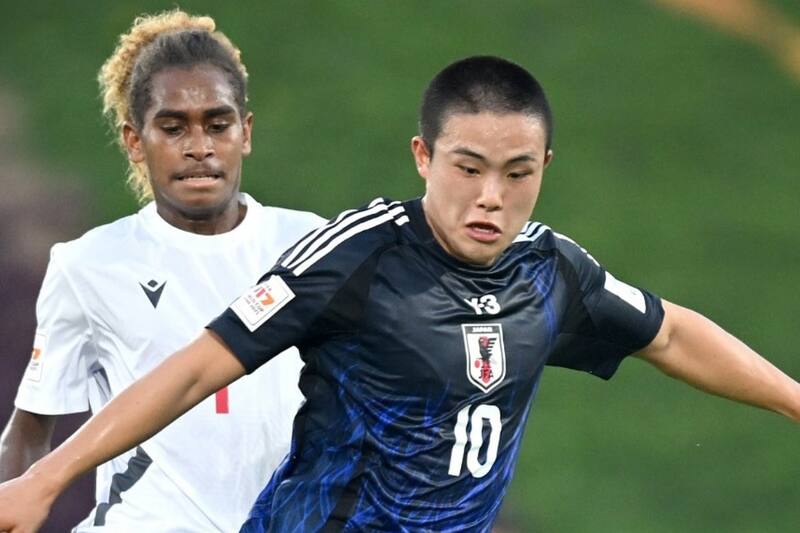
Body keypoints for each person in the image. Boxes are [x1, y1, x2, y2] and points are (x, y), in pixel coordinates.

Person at [1, 55, 798, 533]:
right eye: (468, 167)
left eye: (517, 174)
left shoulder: (552, 271)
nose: (491, 196)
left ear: (545, 166)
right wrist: (44, 479)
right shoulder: (358, 257)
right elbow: (194, 368)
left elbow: (669, 334)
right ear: (423, 156)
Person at [0, 10, 324, 533]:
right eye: (173, 128)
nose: (199, 147)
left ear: (245, 132)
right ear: (134, 141)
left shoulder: (313, 244)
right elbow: (32, 428)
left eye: (218, 125)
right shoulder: (88, 264)